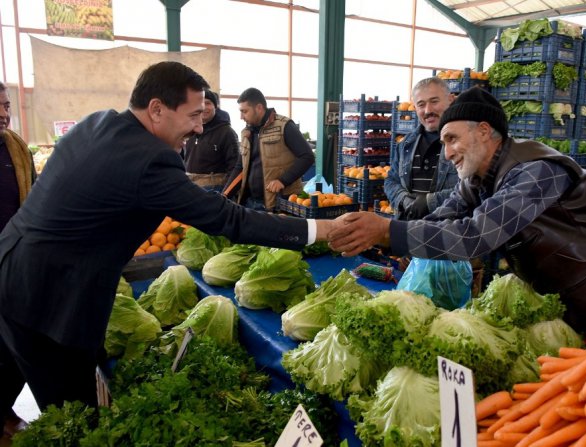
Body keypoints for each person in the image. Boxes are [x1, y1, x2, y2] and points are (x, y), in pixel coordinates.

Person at [0, 61, 340, 429]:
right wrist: (317, 230)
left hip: (12, 268)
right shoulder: (150, 160)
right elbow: (230, 220)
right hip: (51, 301)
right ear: (157, 109)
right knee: (74, 422)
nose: (199, 125)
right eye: (193, 114)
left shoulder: (97, 123)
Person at [329, 87, 586, 351]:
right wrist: (387, 234)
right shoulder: (478, 180)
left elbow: (474, 236)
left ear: (483, 130)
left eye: (452, 139)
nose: (446, 153)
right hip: (578, 309)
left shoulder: (535, 171)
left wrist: (389, 230)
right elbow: (442, 217)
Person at [0, 81, 35, 439]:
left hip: (14, 260)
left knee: (16, 346)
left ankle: (6, 411)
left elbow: (35, 200)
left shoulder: (16, 148)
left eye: (7, 105)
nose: (4, 113)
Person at [223, 87, 315, 211]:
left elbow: (307, 156)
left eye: (244, 111)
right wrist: (224, 195)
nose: (241, 117)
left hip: (279, 204)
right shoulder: (247, 133)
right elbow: (241, 168)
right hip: (250, 203)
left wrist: (283, 181)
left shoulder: (284, 126)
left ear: (259, 108)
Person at [384, 77, 459, 220]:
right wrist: (404, 200)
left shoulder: (463, 142)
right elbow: (391, 181)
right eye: (421, 104)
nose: (428, 110)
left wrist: (429, 202)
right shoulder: (406, 144)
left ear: (450, 100)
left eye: (434, 101)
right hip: (407, 231)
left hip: (446, 233)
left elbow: (472, 187)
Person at [183, 89, 239, 192]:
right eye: (200, 103)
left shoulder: (227, 132)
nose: (203, 107)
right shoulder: (189, 130)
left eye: (207, 103)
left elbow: (235, 167)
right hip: (190, 189)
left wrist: (227, 194)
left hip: (215, 191)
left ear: (215, 106)